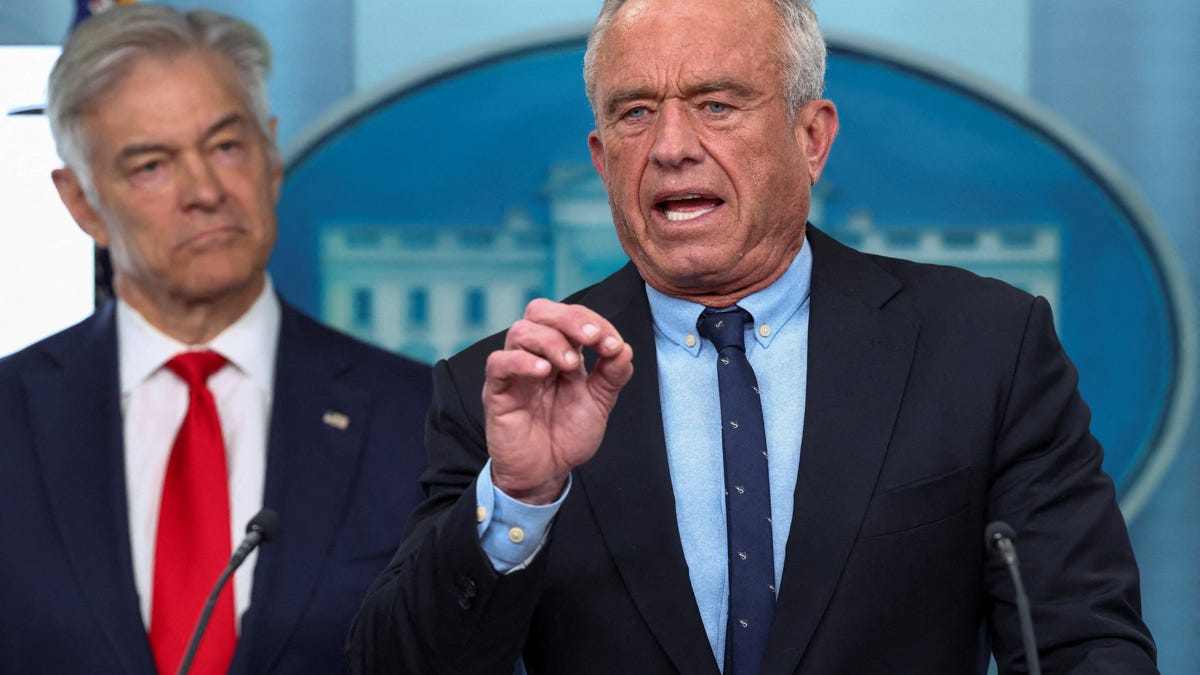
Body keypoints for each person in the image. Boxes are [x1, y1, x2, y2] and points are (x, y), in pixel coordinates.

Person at [349, 0, 1157, 672]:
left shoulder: (983, 347)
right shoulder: (509, 384)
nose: (670, 148)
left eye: (716, 104)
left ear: (812, 139)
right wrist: (519, 498)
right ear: (601, 160)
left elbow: (1084, 643)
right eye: (635, 113)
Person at [0, 6, 431, 674]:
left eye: (227, 147)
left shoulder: (417, 415)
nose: (205, 191)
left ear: (271, 157)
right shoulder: (10, 417)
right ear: (82, 202)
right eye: (151, 165)